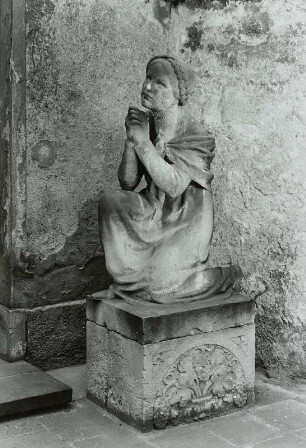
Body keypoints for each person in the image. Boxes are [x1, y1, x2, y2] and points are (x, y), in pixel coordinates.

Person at [98, 55, 241, 304]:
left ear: (177, 94)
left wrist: (142, 143)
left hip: (187, 218)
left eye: (160, 83)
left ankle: (217, 277)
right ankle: (133, 279)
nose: (148, 86)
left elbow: (174, 186)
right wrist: (132, 138)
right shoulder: (147, 124)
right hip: (154, 209)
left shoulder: (197, 136)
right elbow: (128, 183)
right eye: (148, 78)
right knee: (110, 201)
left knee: (162, 288)